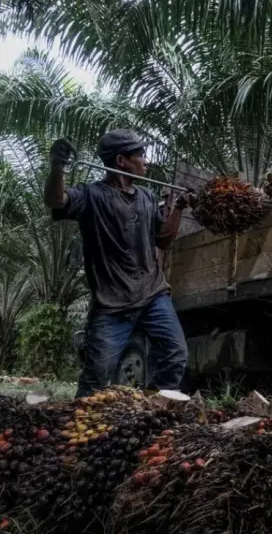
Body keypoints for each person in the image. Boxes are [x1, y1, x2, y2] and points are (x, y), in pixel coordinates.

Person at [44, 129, 194, 398]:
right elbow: (55, 200)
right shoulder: (91, 196)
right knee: (97, 378)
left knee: (176, 356)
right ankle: (78, 427)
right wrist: (57, 165)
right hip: (112, 305)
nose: (146, 161)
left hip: (153, 295)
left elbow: (163, 241)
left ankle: (150, 411)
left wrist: (180, 208)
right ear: (121, 161)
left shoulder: (147, 197)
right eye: (140, 155)